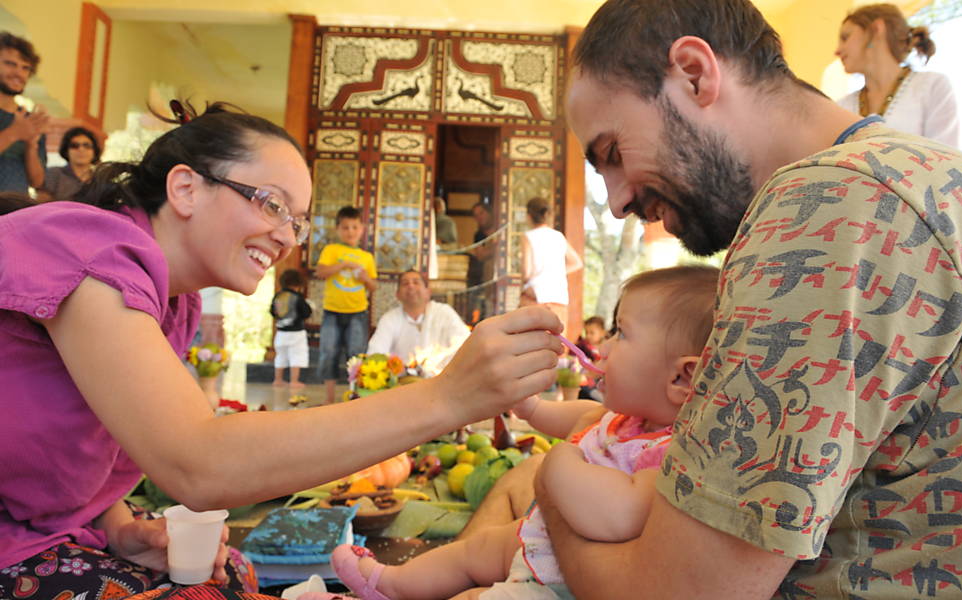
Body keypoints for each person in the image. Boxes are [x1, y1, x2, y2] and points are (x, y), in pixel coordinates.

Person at [0, 100, 563, 600]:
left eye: (298, 221)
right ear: (186, 188)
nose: (289, 237)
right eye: (272, 205)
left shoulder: (174, 303)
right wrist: (448, 398)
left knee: (231, 573)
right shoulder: (93, 252)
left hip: (48, 528)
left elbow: (96, 440)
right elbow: (199, 463)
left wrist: (121, 527)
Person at [543, 0, 962, 597]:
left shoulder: (820, 212)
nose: (615, 201)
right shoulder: (928, 172)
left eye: (613, 153)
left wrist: (549, 490)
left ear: (694, 73)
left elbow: (673, 593)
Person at [326, 265, 719, 600]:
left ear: (681, 378)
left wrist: (559, 463)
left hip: (553, 583)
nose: (604, 348)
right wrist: (528, 405)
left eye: (621, 333)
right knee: (474, 550)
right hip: (541, 542)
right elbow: (575, 418)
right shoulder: (619, 419)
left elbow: (617, 516)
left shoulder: (669, 452)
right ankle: (389, 583)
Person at [835, 3, 959, 148]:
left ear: (876, 29)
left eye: (845, 37)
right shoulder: (842, 106)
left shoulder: (931, 86)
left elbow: (945, 159)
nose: (837, 51)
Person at [314, 205, 377, 404]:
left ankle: (355, 397)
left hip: (358, 312)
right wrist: (344, 265)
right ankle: (329, 399)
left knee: (356, 355)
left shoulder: (367, 257)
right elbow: (321, 272)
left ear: (362, 229)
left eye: (354, 227)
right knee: (328, 353)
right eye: (345, 227)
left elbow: (373, 286)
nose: (350, 231)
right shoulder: (331, 250)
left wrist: (365, 277)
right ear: (338, 230)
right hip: (331, 311)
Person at [366, 269, 469, 370]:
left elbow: (465, 344)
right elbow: (375, 353)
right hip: (403, 382)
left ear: (428, 292)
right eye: (405, 284)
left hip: (443, 380)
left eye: (416, 282)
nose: (411, 286)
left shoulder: (444, 313)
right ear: (397, 295)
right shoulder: (389, 319)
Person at [519, 197, 583, 326]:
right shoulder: (558, 236)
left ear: (529, 216)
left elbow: (526, 272)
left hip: (534, 296)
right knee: (557, 341)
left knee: (530, 342)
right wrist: (555, 273)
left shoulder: (528, 237)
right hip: (558, 298)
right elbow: (577, 263)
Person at [0, 32, 48, 194]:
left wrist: (31, 145)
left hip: (15, 213)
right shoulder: (22, 125)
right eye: (10, 64)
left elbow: (37, 181)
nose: (19, 73)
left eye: (25, 68)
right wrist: (14, 133)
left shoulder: (30, 121)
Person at [271, 268, 313, 389]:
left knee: (280, 355)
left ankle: (277, 380)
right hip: (296, 333)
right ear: (298, 284)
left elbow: (272, 312)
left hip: (281, 332)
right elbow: (306, 312)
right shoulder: (297, 297)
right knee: (297, 354)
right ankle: (294, 381)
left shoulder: (278, 296)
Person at [39, 126, 101, 202]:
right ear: (66, 151)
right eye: (74, 146)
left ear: (94, 151)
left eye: (87, 145)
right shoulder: (54, 173)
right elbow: (42, 205)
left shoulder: (100, 179)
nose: (81, 149)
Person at [466, 200, 496, 321]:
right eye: (476, 215)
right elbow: (481, 255)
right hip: (486, 280)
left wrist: (490, 249)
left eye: (481, 213)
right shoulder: (478, 235)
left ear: (489, 213)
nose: (479, 217)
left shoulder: (500, 228)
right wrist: (496, 247)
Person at [576, 315, 606, 400]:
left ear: (602, 333)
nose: (588, 336)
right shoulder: (584, 347)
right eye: (586, 332)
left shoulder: (605, 348)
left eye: (592, 333)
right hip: (587, 379)